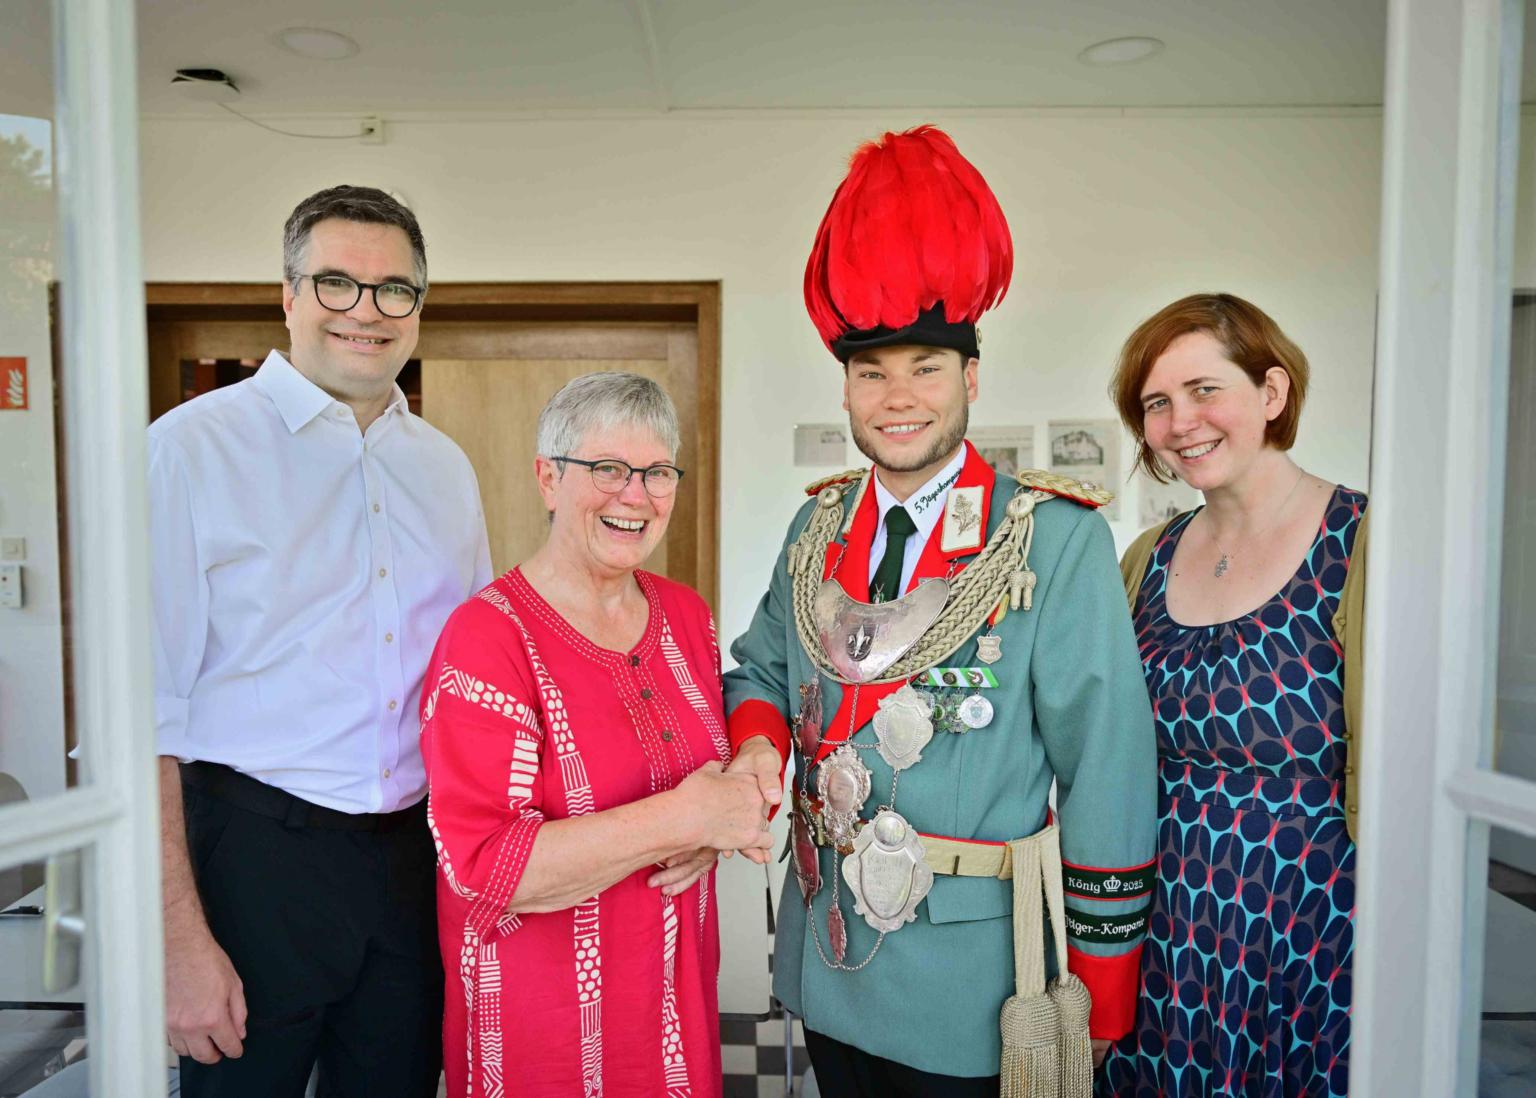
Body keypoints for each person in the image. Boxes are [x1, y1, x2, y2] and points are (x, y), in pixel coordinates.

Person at [723, 125, 1158, 1096]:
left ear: (970, 375)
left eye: (924, 366)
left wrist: (1100, 984)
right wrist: (758, 744)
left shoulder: (1050, 540)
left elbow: (1108, 769)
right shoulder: (816, 535)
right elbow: (758, 668)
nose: (897, 397)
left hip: (966, 980)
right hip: (827, 951)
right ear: (844, 385)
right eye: (871, 372)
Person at [149, 185, 491, 1096]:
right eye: (336, 283)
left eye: (393, 290)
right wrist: (179, 943)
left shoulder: (445, 470)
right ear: (289, 294)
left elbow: (477, 684)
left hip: (410, 863)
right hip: (250, 859)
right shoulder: (189, 452)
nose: (365, 312)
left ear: (418, 309)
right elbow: (141, 720)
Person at [420, 372, 773, 1098]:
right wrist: (684, 816)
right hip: (539, 1030)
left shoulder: (686, 617)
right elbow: (485, 867)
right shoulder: (487, 638)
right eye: (607, 469)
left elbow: (705, 770)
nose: (635, 494)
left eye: (656, 473)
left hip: (674, 1019)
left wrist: (725, 805)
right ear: (548, 478)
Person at [1098, 293, 1367, 1098]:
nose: (1182, 422)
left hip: (1315, 931)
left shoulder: (1361, 541)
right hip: (1166, 931)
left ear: (1272, 394)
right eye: (1157, 403)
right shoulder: (1149, 556)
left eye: (1205, 389)